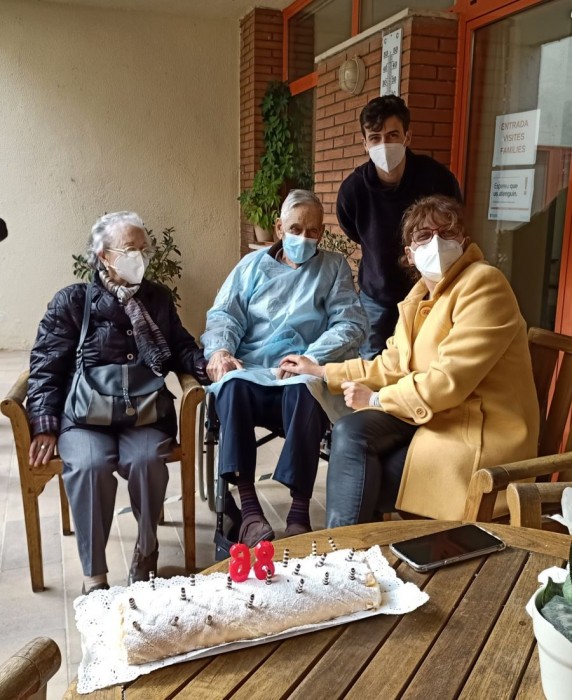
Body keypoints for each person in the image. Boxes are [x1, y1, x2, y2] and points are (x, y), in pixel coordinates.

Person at [281, 195, 539, 526]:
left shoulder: (483, 284)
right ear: (410, 254)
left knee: (365, 471)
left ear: (463, 241)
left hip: (477, 431)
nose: (437, 242)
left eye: (447, 232)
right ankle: (349, 549)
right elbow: (392, 364)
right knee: (350, 431)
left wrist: (376, 399)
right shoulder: (419, 299)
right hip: (438, 418)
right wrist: (320, 370)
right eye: (424, 236)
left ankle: (345, 549)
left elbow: (447, 381)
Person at [27, 211, 209, 595]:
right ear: (104, 256)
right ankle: (94, 576)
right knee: (90, 467)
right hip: (85, 417)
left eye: (144, 249)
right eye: (129, 250)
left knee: (146, 461)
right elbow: (46, 366)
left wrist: (208, 365)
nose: (139, 258)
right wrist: (43, 423)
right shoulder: (73, 301)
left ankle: (147, 549)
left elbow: (181, 348)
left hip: (145, 413)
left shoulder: (157, 298)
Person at [201, 189, 367, 547]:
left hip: (302, 370)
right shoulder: (251, 266)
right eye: (295, 229)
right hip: (253, 369)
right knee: (231, 385)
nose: (303, 238)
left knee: (308, 389)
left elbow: (350, 323)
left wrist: (312, 357)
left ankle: (298, 514)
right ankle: (250, 513)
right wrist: (222, 351)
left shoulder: (333, 267)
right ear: (278, 227)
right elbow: (225, 314)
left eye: (312, 231)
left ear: (322, 233)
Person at [336, 95, 462, 359]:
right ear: (365, 143)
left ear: (408, 136)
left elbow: (454, 224)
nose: (384, 144)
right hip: (377, 298)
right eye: (375, 138)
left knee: (428, 360)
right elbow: (353, 230)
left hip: (431, 292)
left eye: (393, 135)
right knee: (372, 363)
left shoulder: (437, 179)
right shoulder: (353, 190)